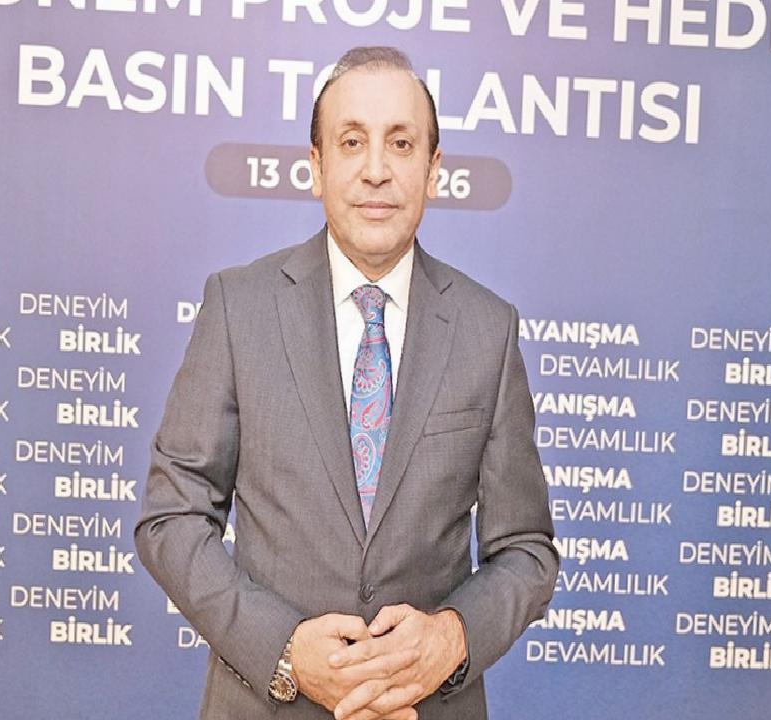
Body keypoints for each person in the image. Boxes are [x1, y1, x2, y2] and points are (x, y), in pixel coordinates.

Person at [135, 46, 558, 720]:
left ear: (434, 169)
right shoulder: (239, 307)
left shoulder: (488, 329)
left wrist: (450, 639)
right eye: (352, 141)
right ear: (317, 165)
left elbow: (527, 551)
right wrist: (283, 650)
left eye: (401, 143)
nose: (376, 169)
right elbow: (172, 517)